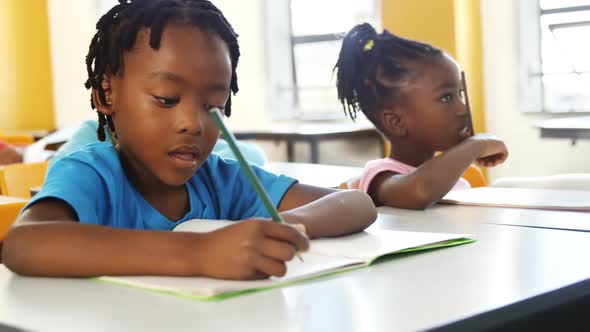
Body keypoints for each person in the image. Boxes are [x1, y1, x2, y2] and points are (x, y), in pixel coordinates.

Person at [2, 0, 376, 280]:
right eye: (167, 99)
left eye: (213, 105)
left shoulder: (222, 180)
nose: (193, 124)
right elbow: (23, 245)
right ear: (106, 94)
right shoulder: (93, 173)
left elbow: (356, 203)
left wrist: (279, 227)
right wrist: (198, 253)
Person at [333, 23, 508, 210]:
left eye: (461, 94)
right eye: (446, 97)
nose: (463, 109)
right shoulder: (381, 176)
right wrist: (477, 145)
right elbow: (421, 192)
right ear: (396, 122)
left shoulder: (456, 176)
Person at [49, 120, 268, 167]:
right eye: (166, 99)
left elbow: (253, 157)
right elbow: (59, 169)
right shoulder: (96, 132)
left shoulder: (189, 143)